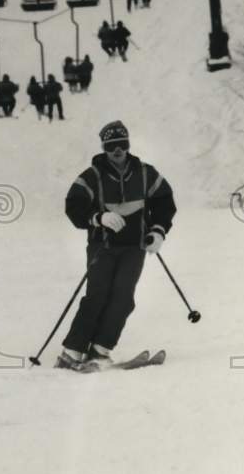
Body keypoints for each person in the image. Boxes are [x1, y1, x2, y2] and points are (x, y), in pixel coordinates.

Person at [55, 121, 177, 370]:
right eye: (112, 146)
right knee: (97, 296)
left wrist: (158, 231)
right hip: (103, 246)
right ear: (104, 148)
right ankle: (72, 352)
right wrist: (97, 218)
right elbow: (74, 206)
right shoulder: (92, 176)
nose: (118, 150)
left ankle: (100, 350)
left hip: (135, 246)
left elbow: (165, 202)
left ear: (128, 145)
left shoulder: (145, 173)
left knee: (123, 297)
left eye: (122, 144)